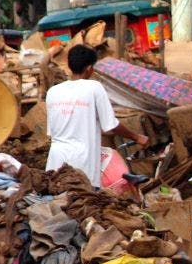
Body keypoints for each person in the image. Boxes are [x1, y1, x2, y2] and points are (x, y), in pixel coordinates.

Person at [46, 44, 148, 188]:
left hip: (55, 166)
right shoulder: (94, 87)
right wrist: (137, 137)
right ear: (89, 68)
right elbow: (111, 125)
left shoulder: (53, 92)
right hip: (82, 165)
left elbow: (55, 131)